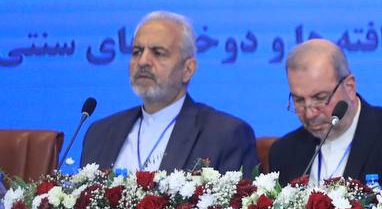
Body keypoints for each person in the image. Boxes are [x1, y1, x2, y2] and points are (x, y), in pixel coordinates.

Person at [267, 39, 382, 202]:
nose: (309, 113)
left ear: (349, 87)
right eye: (299, 100)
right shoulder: (283, 152)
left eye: (320, 98)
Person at [81, 11, 258, 173]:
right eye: (136, 52)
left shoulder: (225, 135)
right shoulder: (100, 134)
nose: (143, 61)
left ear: (188, 69)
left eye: (158, 53)